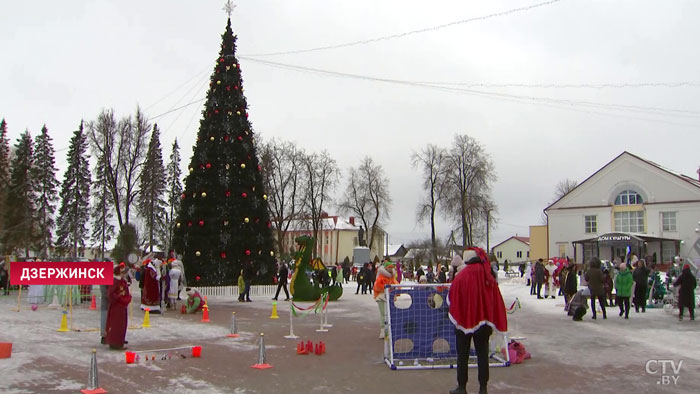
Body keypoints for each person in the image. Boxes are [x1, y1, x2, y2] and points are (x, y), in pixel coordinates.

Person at [448, 248, 507, 394]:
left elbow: (452, 297)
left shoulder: (462, 275)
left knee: (463, 355)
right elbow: (495, 299)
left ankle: (462, 387)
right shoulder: (488, 274)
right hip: (484, 322)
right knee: (482, 355)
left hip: (463, 322)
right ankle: (483, 388)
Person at [106, 263, 131, 350]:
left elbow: (126, 291)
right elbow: (111, 294)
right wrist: (120, 299)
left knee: (122, 325)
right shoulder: (115, 281)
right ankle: (114, 342)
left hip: (122, 306)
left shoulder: (122, 281)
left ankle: (119, 341)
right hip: (117, 307)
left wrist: (127, 298)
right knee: (116, 324)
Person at [374, 260, 398, 339]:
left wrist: (395, 291)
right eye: (389, 268)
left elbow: (396, 285)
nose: (390, 270)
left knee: (389, 314)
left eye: (391, 268)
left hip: (389, 297)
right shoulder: (381, 277)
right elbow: (377, 286)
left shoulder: (392, 277)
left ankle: (388, 330)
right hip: (381, 297)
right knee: (383, 314)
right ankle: (383, 330)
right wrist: (385, 289)